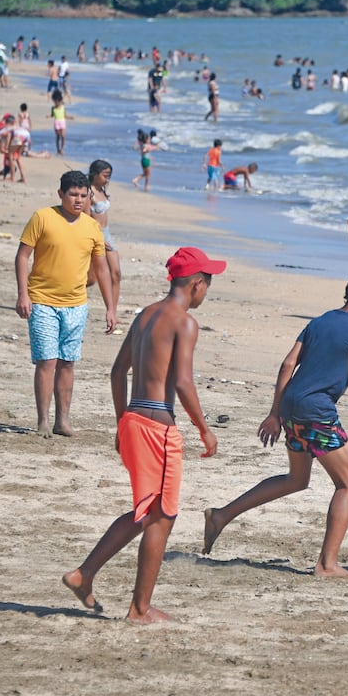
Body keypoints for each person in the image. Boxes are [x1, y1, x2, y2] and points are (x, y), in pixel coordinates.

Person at [62, 247, 224, 623]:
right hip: (157, 426)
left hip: (133, 418)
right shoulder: (183, 322)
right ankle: (140, 609)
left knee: (145, 511)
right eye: (208, 284)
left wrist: (122, 422)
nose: (207, 292)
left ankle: (83, 574)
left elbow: (118, 373)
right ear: (196, 283)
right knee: (161, 517)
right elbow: (183, 382)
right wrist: (204, 429)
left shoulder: (145, 315)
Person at [202, 269, 348, 577]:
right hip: (316, 412)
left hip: (292, 407)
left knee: (297, 479)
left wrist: (275, 413)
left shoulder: (319, 321)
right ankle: (327, 564)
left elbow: (288, 363)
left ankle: (221, 515)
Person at [13, 170, 117, 438]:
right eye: (73, 194)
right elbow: (23, 256)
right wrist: (23, 294)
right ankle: (43, 421)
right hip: (42, 301)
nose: (78, 200)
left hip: (76, 304)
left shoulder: (92, 227)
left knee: (68, 363)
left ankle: (63, 420)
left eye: (83, 196)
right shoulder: (42, 218)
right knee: (47, 361)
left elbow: (102, 269)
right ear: (61, 194)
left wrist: (110, 307)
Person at [86, 159, 122, 319]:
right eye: (105, 175)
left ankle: (112, 311)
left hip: (107, 233)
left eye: (109, 176)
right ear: (95, 174)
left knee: (116, 274)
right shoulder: (88, 192)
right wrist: (97, 239)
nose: (107, 179)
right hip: (96, 235)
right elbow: (86, 218)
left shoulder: (101, 190)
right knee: (90, 279)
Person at [50, 90, 67, 156]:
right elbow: (52, 115)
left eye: (57, 101)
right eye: (55, 101)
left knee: (63, 136)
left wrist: (70, 117)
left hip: (62, 121)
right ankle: (58, 149)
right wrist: (49, 116)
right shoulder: (53, 108)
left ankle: (62, 148)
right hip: (56, 122)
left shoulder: (63, 107)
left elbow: (65, 115)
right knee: (57, 136)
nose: (56, 102)